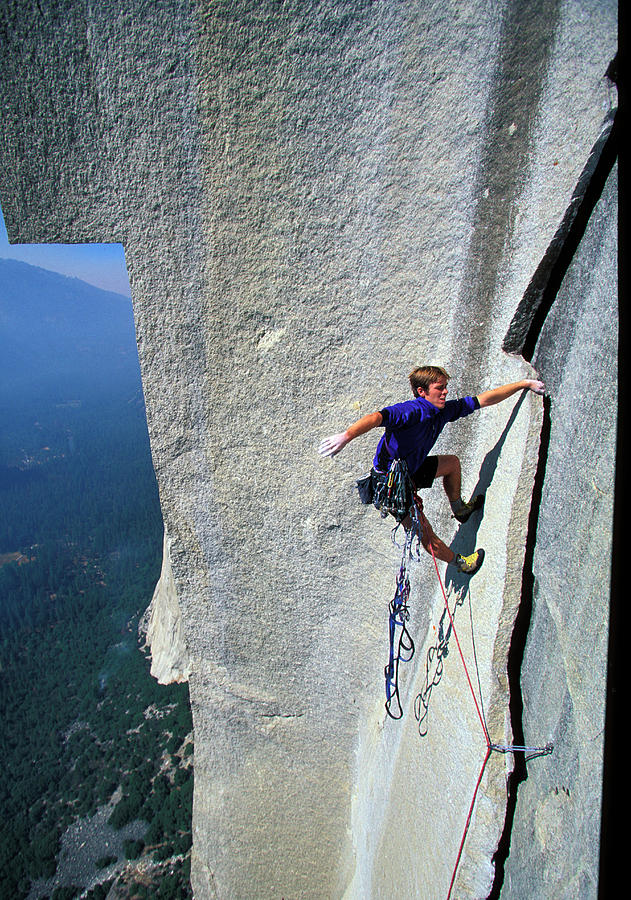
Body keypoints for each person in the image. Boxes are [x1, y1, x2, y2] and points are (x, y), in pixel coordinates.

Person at [319, 365, 545, 575]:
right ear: (422, 391)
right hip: (391, 484)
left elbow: (483, 400)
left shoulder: (443, 411)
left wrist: (523, 384)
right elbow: (377, 417)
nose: (445, 392)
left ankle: (460, 510)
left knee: (452, 464)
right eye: (440, 388)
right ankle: (461, 563)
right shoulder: (410, 411)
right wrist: (346, 436)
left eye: (445, 387)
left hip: (410, 469)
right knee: (423, 530)